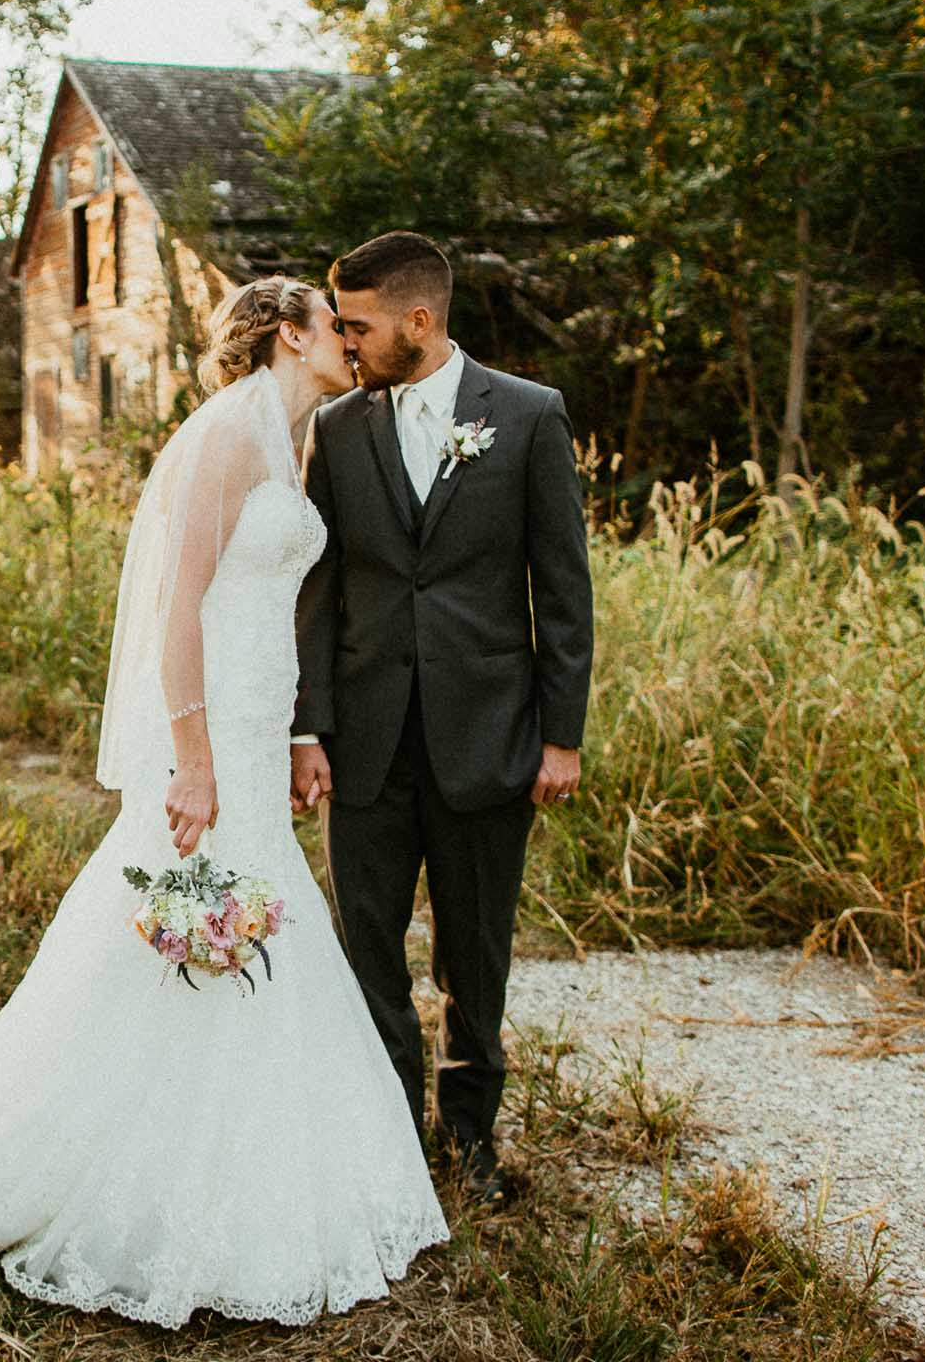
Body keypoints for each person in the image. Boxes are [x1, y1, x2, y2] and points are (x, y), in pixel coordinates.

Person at [0, 275, 448, 1327]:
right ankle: (94, 1158)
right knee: (179, 926)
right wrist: (192, 756)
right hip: (206, 733)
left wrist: (285, 732)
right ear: (289, 332)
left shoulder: (295, 437)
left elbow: (262, 603)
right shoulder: (228, 436)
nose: (351, 342)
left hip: (250, 721)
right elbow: (177, 603)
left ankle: (248, 1156)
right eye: (335, 324)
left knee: (248, 922)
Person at [290, 231, 595, 1207]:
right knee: (366, 949)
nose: (345, 338)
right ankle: (386, 1137)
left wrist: (561, 734)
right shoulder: (337, 431)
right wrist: (309, 728)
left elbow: (564, 588)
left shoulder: (530, 416)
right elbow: (319, 591)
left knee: (476, 955)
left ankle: (471, 1140)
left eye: (360, 324)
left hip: (488, 737)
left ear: (420, 321)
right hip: (366, 745)